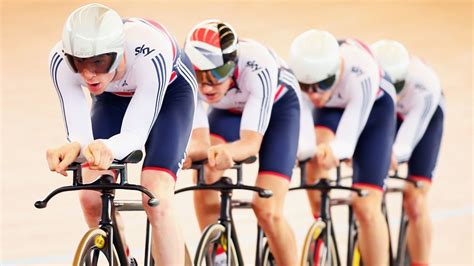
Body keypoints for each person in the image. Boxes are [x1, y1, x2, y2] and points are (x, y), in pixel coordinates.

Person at [46, 3, 197, 264]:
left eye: (98, 62)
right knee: (90, 195)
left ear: (118, 53)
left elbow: (133, 137)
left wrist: (109, 148)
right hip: (112, 96)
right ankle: (122, 256)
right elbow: (80, 137)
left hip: (171, 95)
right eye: (78, 63)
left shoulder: (151, 48)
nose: (88, 74)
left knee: (156, 193)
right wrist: (75, 149)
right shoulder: (60, 60)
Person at [183, 19, 315, 264]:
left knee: (267, 210)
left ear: (232, 65)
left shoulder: (257, 64)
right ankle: (219, 256)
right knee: (205, 170)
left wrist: (225, 152)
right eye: (198, 75)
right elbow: (200, 143)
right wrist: (186, 154)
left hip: (279, 111)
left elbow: (250, 144)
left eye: (216, 74)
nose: (206, 86)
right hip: (228, 112)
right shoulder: (189, 77)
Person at [289, 29, 397, 265]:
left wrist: (335, 152)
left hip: (374, 113)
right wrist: (307, 152)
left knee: (366, 206)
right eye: (306, 87)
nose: (314, 95)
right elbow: (305, 138)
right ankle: (322, 223)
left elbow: (346, 144)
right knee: (315, 160)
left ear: (337, 69)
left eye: (323, 84)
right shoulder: (305, 80)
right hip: (332, 110)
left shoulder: (362, 70)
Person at [371, 39, 444, 265]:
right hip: (384, 114)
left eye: (398, 87)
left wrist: (388, 156)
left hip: (421, 118)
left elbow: (404, 147)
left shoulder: (425, 85)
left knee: (415, 198)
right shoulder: (368, 80)